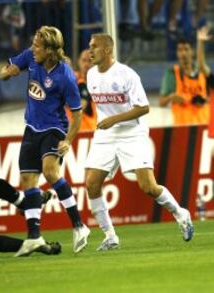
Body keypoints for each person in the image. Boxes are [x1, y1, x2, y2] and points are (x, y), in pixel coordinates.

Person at [85, 33, 194, 251]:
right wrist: (107, 123)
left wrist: (113, 119)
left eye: (94, 47)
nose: (90, 51)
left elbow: (144, 107)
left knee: (148, 186)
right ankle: (110, 236)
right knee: (91, 183)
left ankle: (181, 214)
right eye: (89, 47)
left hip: (132, 132)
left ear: (107, 50)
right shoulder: (90, 75)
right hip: (106, 134)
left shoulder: (126, 74)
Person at [0, 26, 90, 256]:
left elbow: (77, 113)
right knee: (28, 180)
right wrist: (8, 73)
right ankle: (34, 237)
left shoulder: (65, 76)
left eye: (37, 46)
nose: (32, 49)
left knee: (50, 172)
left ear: (49, 50)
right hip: (31, 127)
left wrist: (68, 140)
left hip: (54, 128)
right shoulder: (30, 57)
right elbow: (3, 72)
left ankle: (79, 226)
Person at [159, 27, 214, 125]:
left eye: (186, 49)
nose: (183, 53)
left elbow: (201, 64)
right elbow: (161, 103)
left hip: (203, 127)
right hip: (182, 129)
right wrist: (170, 97)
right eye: (180, 50)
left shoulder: (202, 73)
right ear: (176, 53)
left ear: (192, 51)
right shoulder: (172, 74)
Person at [67, 49, 97, 132]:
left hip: (91, 131)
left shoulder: (99, 83)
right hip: (78, 133)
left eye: (90, 61)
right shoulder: (74, 81)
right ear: (78, 62)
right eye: (84, 60)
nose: (86, 64)